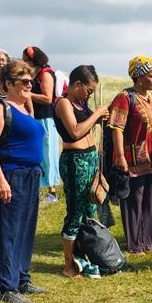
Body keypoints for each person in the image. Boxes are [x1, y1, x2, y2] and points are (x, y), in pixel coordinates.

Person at [0, 59, 47, 303]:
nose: (29, 85)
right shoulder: (1, 110)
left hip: (31, 175)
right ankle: (6, 286)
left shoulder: (24, 109)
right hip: (12, 175)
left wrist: (28, 98)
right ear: (9, 84)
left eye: (31, 81)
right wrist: (0, 180)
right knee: (9, 231)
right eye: (24, 81)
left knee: (26, 229)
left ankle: (21, 277)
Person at [107, 56, 152, 254]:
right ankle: (135, 243)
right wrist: (120, 156)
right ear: (139, 77)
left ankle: (149, 241)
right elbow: (116, 127)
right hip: (133, 158)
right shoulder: (124, 97)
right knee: (134, 200)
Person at [54, 65, 110, 278]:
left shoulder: (80, 102)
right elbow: (75, 132)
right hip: (74, 161)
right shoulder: (64, 103)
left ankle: (84, 258)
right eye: (89, 90)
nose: (90, 95)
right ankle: (69, 264)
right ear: (77, 84)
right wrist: (96, 114)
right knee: (76, 212)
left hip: (89, 157)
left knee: (90, 210)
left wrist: (99, 118)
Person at [23, 45, 60, 203]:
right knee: (38, 153)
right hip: (36, 117)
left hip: (46, 118)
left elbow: (47, 98)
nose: (24, 62)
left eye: (26, 60)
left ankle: (52, 191)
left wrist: (27, 94)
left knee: (48, 152)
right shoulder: (35, 74)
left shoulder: (46, 74)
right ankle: (37, 188)